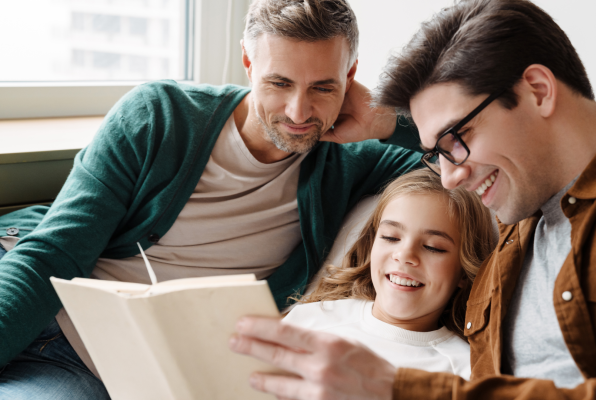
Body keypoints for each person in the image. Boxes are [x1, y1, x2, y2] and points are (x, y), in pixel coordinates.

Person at [229, 0, 596, 399]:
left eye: (455, 140)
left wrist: (396, 390)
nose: (451, 177)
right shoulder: (514, 230)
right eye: (436, 153)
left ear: (538, 91)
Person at [0, 0, 424, 398]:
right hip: (38, 309)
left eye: (323, 88)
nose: (299, 112)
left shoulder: (354, 159)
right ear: (247, 61)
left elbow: (455, 158)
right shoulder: (159, 115)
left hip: (98, 370)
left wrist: (382, 119)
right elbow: (53, 255)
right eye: (279, 83)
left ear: (350, 76)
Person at [283, 169, 496, 379]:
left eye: (433, 247)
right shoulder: (310, 319)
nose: (404, 255)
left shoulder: (464, 372)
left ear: (464, 273)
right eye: (391, 237)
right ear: (371, 244)